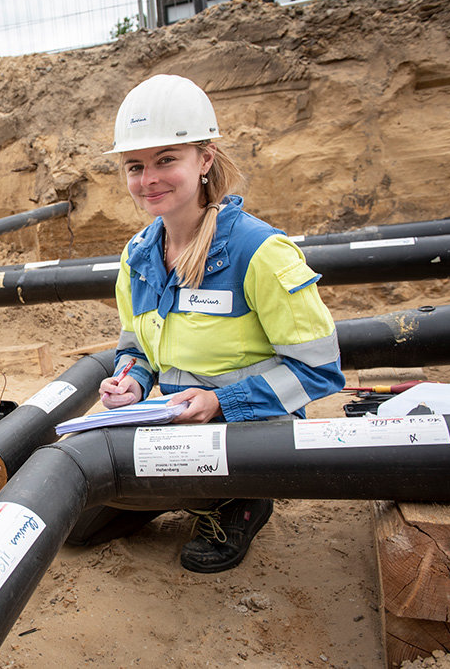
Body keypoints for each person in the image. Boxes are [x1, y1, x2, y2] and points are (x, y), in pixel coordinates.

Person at [71, 74, 344, 573]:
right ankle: (185, 490)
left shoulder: (258, 252)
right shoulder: (138, 257)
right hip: (176, 426)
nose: (148, 178)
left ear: (206, 159)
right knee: (77, 528)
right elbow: (136, 347)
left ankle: (243, 500)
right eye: (135, 166)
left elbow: (319, 370)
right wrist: (131, 381)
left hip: (252, 435)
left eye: (166, 160)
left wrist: (222, 401)